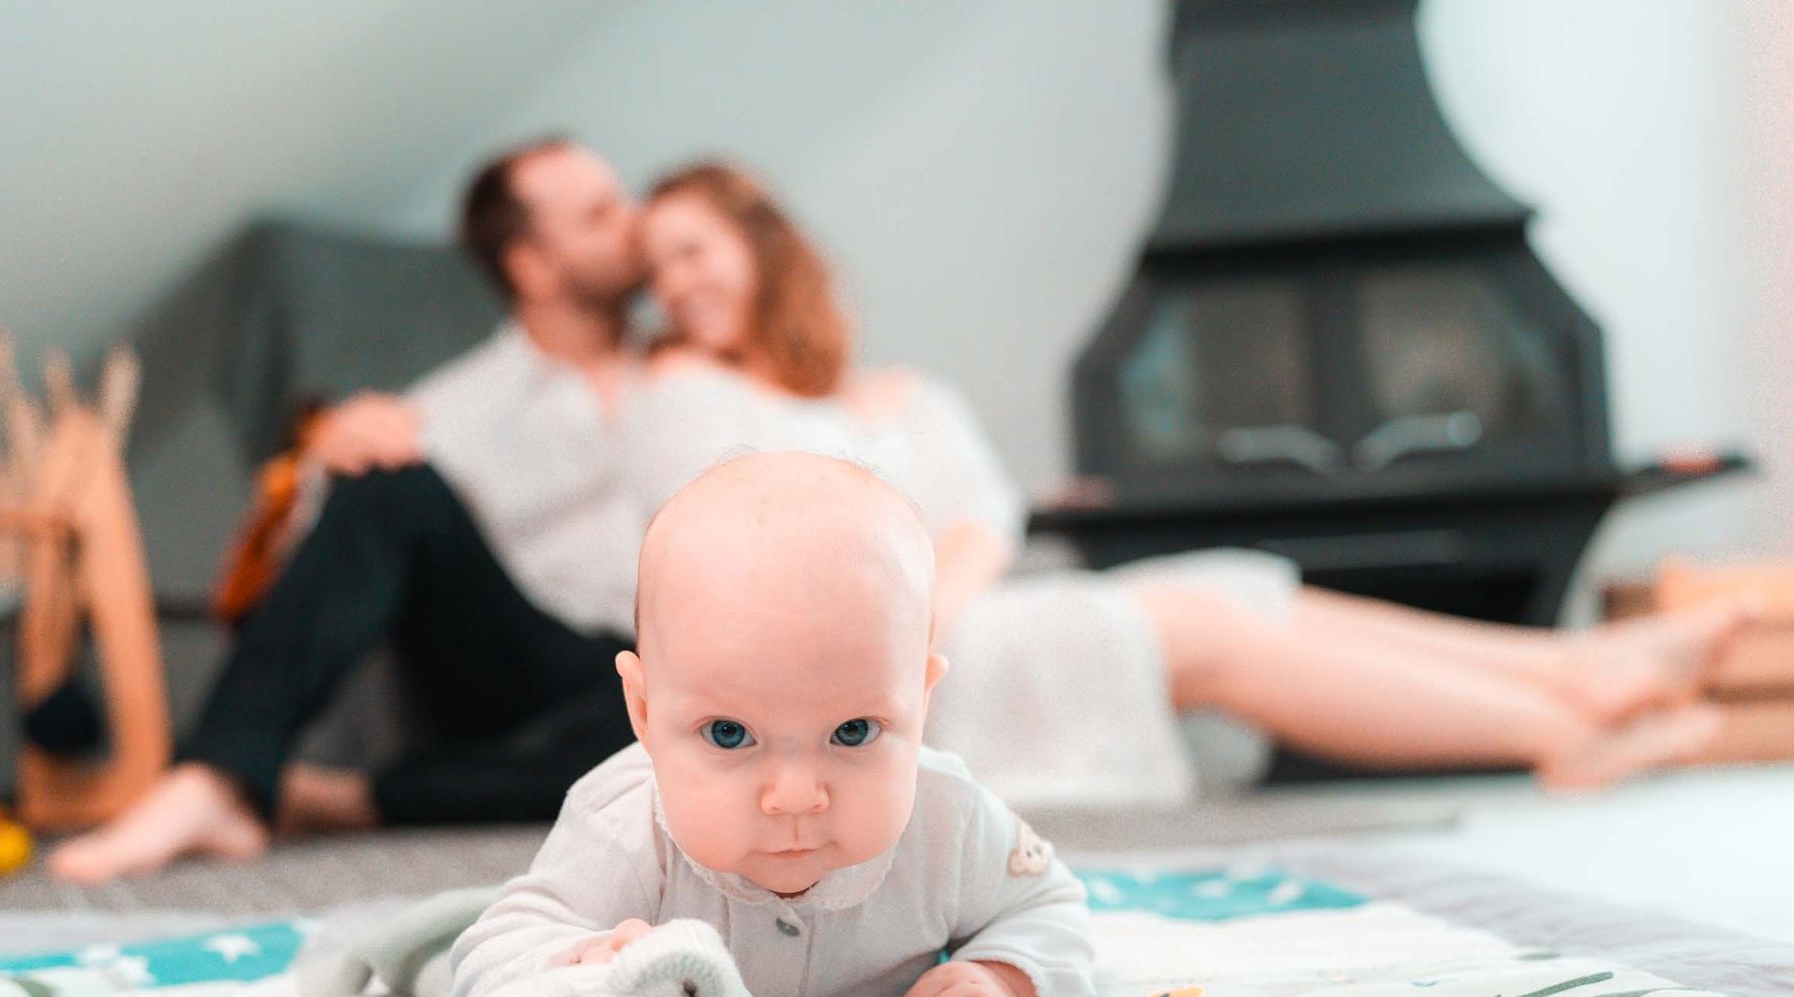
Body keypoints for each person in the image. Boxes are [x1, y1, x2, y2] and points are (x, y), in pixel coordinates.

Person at [618, 162, 1751, 805]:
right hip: (878, 665)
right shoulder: (681, 390)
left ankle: (1577, 671)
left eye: (693, 249)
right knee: (1208, 619)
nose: (676, 284)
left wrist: (952, 584)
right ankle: (1561, 721)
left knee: (1245, 587)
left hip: (969, 614)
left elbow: (984, 517)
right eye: (658, 267)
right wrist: (920, 610)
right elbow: (744, 552)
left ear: (760, 246)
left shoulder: (899, 389)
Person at [49, 138, 649, 883]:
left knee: (676, 738)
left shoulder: (704, 371)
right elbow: (326, 559)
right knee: (386, 479)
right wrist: (319, 465)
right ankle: (216, 778)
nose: (636, 224)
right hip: (522, 669)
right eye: (600, 214)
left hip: (679, 674)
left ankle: (348, 800)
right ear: (531, 264)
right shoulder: (450, 407)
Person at [445, 454, 1093, 997]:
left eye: (853, 731)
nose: (794, 796)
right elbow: (489, 958)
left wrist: (1002, 979)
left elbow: (1048, 907)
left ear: (920, 703)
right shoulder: (626, 827)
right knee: (442, 943)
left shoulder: (949, 819)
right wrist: (581, 962)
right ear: (644, 714)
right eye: (729, 735)